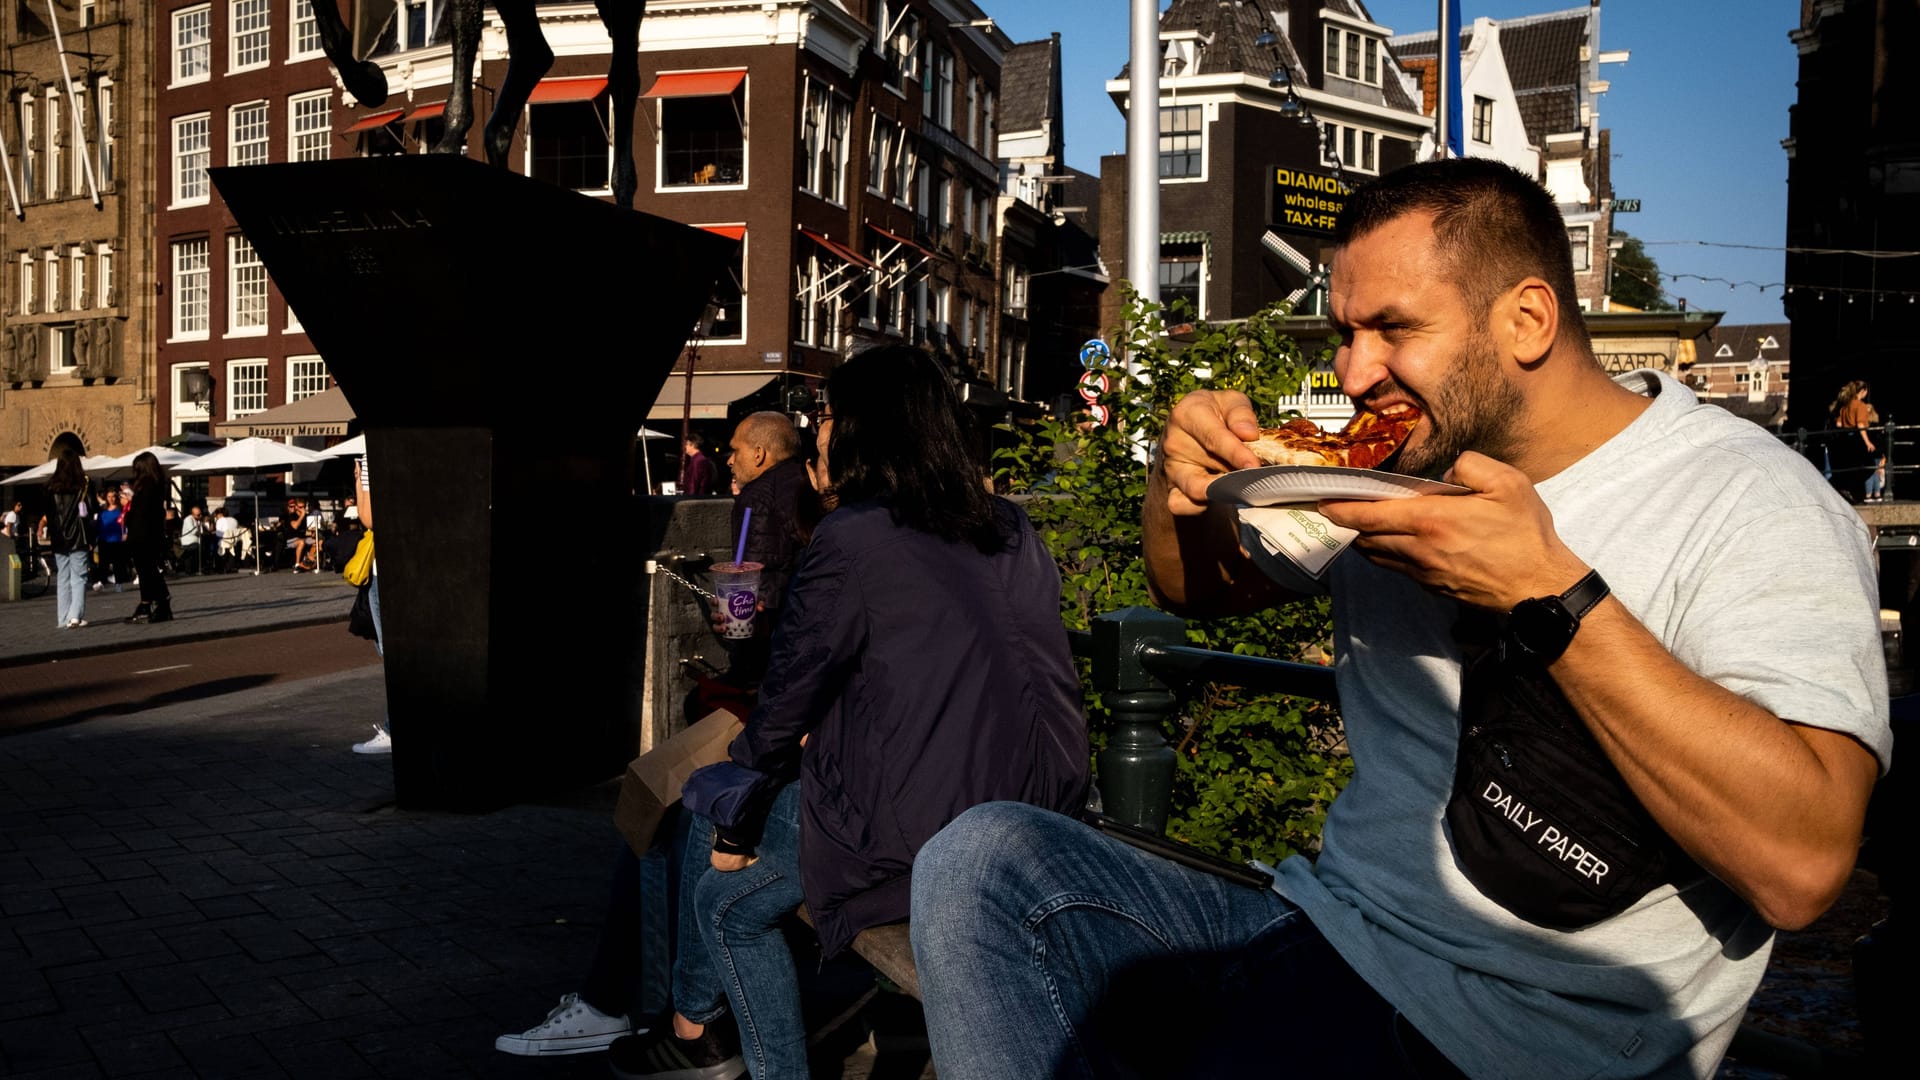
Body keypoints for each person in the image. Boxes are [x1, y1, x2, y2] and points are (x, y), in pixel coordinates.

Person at [908, 159, 1891, 1079]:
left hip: (1513, 1031)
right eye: (1344, 332)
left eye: (1392, 329)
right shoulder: (1380, 466)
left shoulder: (1753, 503)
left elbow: (1801, 867)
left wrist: (1545, 590)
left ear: (1528, 320)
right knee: (980, 864)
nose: (1351, 372)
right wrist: (1184, 484)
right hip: (1321, 930)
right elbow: (1193, 591)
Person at [629, 346, 1090, 1080]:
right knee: (728, 861)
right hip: (1044, 808)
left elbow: (783, 705)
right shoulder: (1007, 525)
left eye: (830, 415)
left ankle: (694, 1033)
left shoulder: (854, 537)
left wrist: (734, 818)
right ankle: (695, 1034)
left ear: (862, 430)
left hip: (928, 830)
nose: (819, 429)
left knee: (703, 826)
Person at [716, 411, 816, 688]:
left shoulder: (756, 497)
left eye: (736, 450)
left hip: (775, 649)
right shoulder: (809, 482)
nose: (730, 461)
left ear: (759, 453)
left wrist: (743, 660)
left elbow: (756, 582)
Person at [350, 455, 394, 755]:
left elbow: (369, 518)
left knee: (391, 655)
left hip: (382, 571)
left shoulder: (370, 454)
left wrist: (358, 477)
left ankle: (393, 731)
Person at [44, 448, 93, 629]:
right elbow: (90, 511)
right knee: (79, 577)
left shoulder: (49, 487)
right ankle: (75, 616)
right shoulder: (84, 484)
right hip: (78, 537)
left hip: (58, 538)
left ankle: (63, 618)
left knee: (63, 577)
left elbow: (50, 515)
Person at [124, 452, 175, 624]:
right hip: (152, 534)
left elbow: (141, 514)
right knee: (148, 570)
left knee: (146, 570)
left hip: (142, 535)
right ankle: (154, 602)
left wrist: (130, 503)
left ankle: (154, 602)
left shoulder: (145, 490)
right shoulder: (158, 485)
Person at [1833, 380, 1883, 502]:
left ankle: (1848, 489)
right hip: (1857, 438)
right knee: (1869, 466)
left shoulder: (1845, 406)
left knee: (1850, 466)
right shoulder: (1860, 406)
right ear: (1863, 391)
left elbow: (1839, 424)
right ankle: (1853, 490)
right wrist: (1867, 442)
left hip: (1845, 438)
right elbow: (1861, 425)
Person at [94, 489, 128, 592]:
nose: (111, 499)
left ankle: (118, 583)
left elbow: (126, 523)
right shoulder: (102, 511)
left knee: (118, 563)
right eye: (109, 496)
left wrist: (126, 533)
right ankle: (102, 581)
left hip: (117, 539)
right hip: (104, 539)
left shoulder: (121, 510)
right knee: (103, 563)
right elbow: (98, 525)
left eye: (113, 496)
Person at [177, 505, 207, 575]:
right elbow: (193, 531)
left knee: (203, 548)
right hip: (189, 541)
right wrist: (201, 533)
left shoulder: (198, 520)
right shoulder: (188, 519)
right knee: (196, 549)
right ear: (192, 514)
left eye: (200, 514)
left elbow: (202, 531)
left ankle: (197, 568)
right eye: (198, 515)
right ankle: (190, 570)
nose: (200, 516)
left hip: (196, 540)